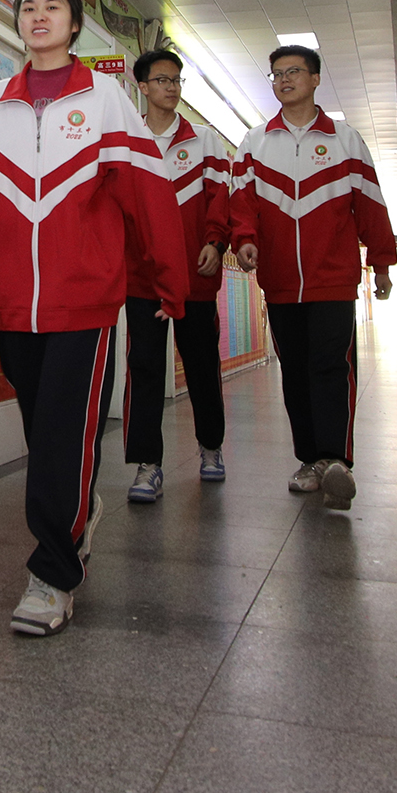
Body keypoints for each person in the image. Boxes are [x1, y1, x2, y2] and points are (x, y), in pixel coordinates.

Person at [0, 0, 184, 636]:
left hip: (84, 300)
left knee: (61, 433)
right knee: (45, 428)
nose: (38, 16)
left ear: (74, 24)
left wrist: (167, 279)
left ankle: (53, 574)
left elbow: (146, 191)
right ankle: (76, 515)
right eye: (28, 7)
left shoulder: (104, 98)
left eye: (52, 7)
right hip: (14, 303)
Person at [228, 44, 397, 511]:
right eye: (277, 73)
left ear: (316, 79)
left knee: (331, 366)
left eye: (294, 71)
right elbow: (241, 204)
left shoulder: (345, 140)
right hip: (280, 282)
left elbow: (370, 206)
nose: (284, 80)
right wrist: (244, 240)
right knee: (296, 373)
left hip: (333, 280)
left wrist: (383, 262)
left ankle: (335, 460)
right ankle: (310, 460)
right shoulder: (255, 143)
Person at [121, 48, 233, 502]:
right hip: (143, 280)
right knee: (145, 369)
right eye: (162, 80)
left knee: (203, 367)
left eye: (176, 81)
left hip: (195, 278)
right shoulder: (127, 142)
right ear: (142, 87)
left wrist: (215, 242)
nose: (171, 88)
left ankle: (211, 447)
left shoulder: (204, 141)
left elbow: (220, 199)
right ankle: (148, 464)